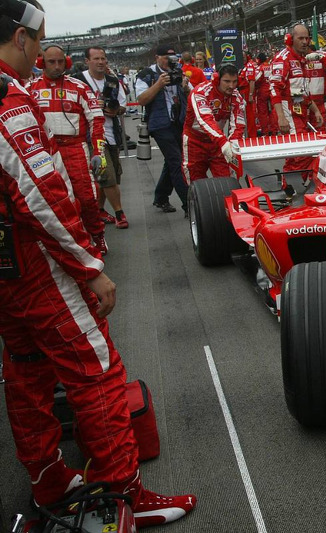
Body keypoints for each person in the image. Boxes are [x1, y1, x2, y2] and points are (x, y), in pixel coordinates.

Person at [0, 1, 196, 528]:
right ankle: (122, 492)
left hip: (6, 275)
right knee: (98, 372)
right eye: (39, 41)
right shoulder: (9, 100)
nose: (42, 52)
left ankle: (48, 479)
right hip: (34, 264)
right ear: (22, 38)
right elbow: (39, 196)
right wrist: (90, 266)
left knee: (26, 375)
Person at [28, 44, 108, 254]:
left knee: (87, 197)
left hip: (75, 148)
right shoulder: (30, 89)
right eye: (51, 62)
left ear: (67, 62)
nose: (56, 66)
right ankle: (68, 243)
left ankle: (97, 236)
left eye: (60, 62)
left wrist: (98, 152)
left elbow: (97, 120)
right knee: (53, 200)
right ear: (41, 63)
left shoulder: (79, 87)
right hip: (46, 151)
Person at [75, 46, 128, 229]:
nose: (100, 62)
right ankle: (120, 213)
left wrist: (114, 110)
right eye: (96, 59)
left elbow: (123, 106)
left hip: (112, 133)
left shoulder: (113, 81)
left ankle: (99, 210)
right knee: (107, 176)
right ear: (87, 61)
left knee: (110, 177)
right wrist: (91, 105)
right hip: (91, 136)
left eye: (103, 58)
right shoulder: (78, 81)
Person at [135, 44, 191, 216]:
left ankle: (160, 197)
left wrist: (185, 87)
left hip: (178, 122)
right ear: (157, 58)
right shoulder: (146, 75)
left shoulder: (178, 71)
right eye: (166, 58)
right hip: (160, 124)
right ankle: (189, 205)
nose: (170, 61)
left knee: (171, 161)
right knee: (176, 162)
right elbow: (141, 100)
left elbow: (191, 95)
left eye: (173, 58)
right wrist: (159, 84)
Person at [270, 23, 324, 188]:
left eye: (306, 38)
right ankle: (291, 190)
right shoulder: (283, 58)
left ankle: (295, 187)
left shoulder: (302, 59)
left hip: (299, 110)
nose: (305, 41)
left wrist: (315, 111)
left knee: (302, 154)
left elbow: (302, 91)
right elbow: (274, 89)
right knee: (299, 154)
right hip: (286, 111)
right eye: (300, 38)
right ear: (290, 39)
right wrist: (281, 117)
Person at [182, 63, 246, 182]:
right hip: (195, 142)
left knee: (227, 180)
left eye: (234, 81)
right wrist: (223, 143)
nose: (231, 86)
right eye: (227, 81)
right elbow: (205, 120)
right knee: (196, 184)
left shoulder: (236, 97)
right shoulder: (200, 92)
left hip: (217, 143)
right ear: (217, 79)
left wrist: (232, 144)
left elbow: (238, 125)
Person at [254, 51, 275, 135]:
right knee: (273, 111)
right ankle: (274, 130)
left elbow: (255, 79)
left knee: (262, 112)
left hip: (263, 92)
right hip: (272, 90)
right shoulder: (272, 66)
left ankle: (265, 131)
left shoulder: (260, 68)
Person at [238, 51, 258, 137]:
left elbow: (252, 81)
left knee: (249, 116)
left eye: (243, 56)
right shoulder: (240, 67)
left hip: (246, 93)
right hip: (240, 92)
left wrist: (250, 95)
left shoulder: (249, 66)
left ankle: (251, 136)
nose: (242, 58)